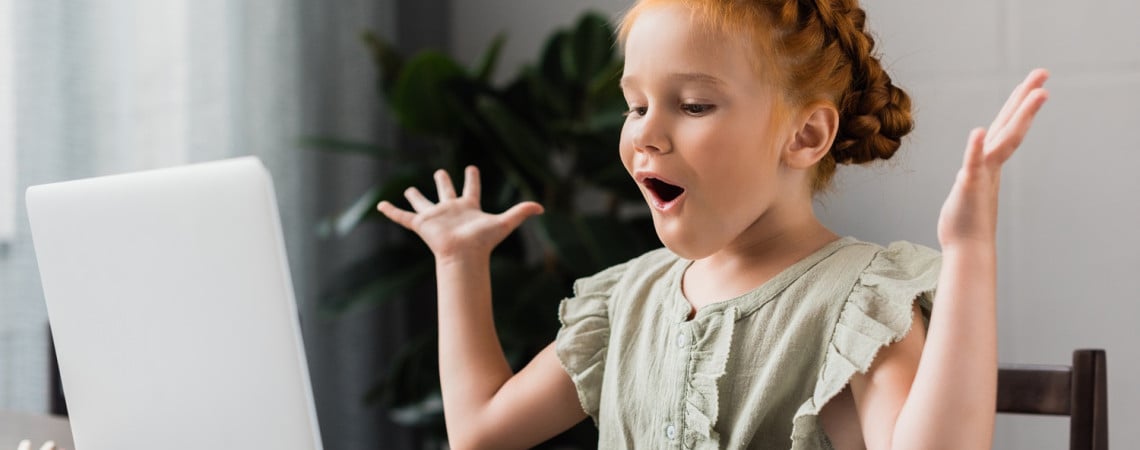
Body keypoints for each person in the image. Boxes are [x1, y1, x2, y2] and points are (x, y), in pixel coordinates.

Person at [376, 0, 1049, 448]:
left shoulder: (859, 303)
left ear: (806, 134)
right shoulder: (626, 301)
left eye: (693, 105)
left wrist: (968, 250)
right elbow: (481, 431)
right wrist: (460, 263)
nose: (647, 135)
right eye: (635, 105)